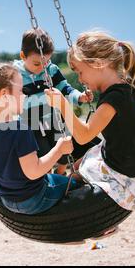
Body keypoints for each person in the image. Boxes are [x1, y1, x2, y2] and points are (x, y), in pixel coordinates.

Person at [45, 31, 135, 211]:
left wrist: (63, 105)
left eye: (80, 72)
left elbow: (84, 136)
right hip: (131, 163)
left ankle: (77, 200)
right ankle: (76, 179)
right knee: (79, 164)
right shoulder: (124, 89)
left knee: (76, 173)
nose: (80, 79)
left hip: (123, 175)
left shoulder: (115, 97)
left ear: (98, 64)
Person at [0, 62, 80, 215]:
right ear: (4, 95)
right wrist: (59, 149)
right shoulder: (20, 129)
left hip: (6, 200)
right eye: (20, 91)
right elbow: (34, 172)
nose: (24, 95)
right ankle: (79, 229)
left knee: (52, 178)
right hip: (33, 199)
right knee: (75, 184)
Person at [13, 28, 99, 175]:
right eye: (36, 64)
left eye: (46, 62)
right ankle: (45, 179)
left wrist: (79, 96)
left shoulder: (51, 70)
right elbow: (13, 99)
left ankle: (61, 173)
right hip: (31, 123)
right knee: (42, 153)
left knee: (64, 150)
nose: (42, 67)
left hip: (54, 119)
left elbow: (64, 88)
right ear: (23, 56)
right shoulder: (15, 74)